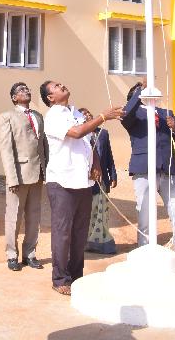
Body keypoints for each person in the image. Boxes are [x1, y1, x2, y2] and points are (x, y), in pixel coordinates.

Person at [40, 80, 123, 295]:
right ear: (50, 97)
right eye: (56, 86)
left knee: (79, 232)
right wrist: (103, 117)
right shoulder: (53, 116)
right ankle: (60, 279)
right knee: (63, 232)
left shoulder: (75, 111)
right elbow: (76, 133)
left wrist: (95, 162)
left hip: (82, 181)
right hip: (62, 181)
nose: (62, 85)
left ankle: (76, 277)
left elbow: (87, 141)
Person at [121, 79, 175, 265]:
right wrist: (139, 89)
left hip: (168, 171)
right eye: (140, 92)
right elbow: (126, 113)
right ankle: (145, 259)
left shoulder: (165, 113)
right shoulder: (132, 114)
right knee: (145, 218)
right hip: (144, 171)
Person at [0, 81, 48, 271]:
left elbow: (44, 146)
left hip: (38, 173)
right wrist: (11, 178)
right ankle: (12, 254)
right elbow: (6, 149)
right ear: (14, 97)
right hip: (19, 174)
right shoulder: (7, 117)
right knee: (14, 217)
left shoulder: (38, 116)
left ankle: (30, 253)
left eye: (27, 88)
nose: (26, 90)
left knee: (34, 216)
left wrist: (48, 170)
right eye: (21, 90)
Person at [79, 107, 118, 255]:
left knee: (101, 211)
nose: (87, 115)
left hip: (101, 180)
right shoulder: (79, 137)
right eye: (83, 114)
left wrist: (113, 174)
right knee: (88, 211)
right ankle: (85, 242)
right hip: (85, 181)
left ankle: (101, 243)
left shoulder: (103, 133)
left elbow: (108, 155)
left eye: (89, 112)